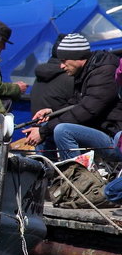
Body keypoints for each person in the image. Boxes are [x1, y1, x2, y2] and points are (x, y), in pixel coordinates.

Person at [22, 32, 122, 161]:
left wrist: (43, 131)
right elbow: (76, 103)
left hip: (113, 137)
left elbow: (88, 110)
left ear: (77, 58)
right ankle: (48, 175)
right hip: (99, 129)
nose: (61, 66)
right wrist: (52, 113)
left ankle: (76, 175)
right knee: (45, 127)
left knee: (62, 130)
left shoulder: (104, 72)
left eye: (64, 61)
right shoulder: (86, 71)